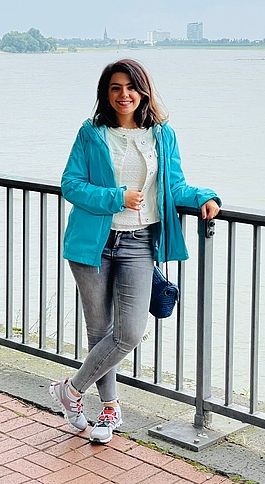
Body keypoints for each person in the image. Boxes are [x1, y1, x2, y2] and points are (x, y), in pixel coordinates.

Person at [50, 58, 221, 443]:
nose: (123, 94)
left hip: (139, 243)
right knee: (100, 332)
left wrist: (205, 196)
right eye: (115, 87)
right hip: (92, 245)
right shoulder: (92, 133)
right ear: (105, 93)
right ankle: (109, 410)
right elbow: (70, 185)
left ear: (143, 90)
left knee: (128, 332)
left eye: (130, 87)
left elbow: (174, 187)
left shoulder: (161, 135)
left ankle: (71, 391)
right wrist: (116, 198)